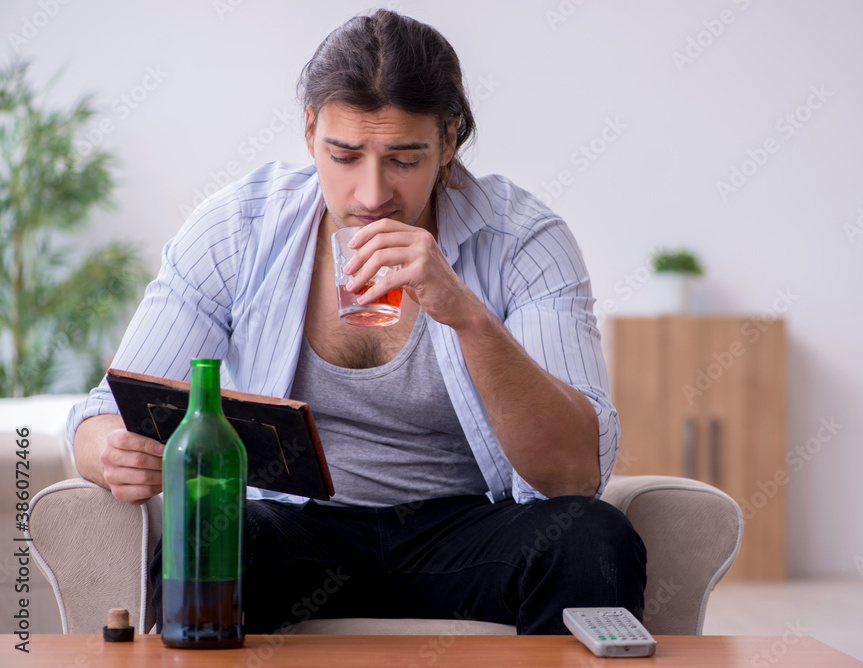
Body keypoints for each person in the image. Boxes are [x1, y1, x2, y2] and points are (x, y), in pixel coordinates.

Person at [68, 9, 646, 635]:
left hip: (467, 527)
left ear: (449, 141)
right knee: (210, 532)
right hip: (296, 527)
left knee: (592, 538)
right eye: (344, 155)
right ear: (310, 131)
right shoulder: (237, 230)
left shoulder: (523, 241)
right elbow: (100, 417)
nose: (372, 196)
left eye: (404, 159)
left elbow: (572, 475)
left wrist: (468, 317)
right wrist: (113, 452)